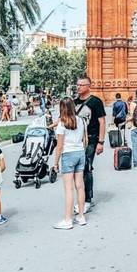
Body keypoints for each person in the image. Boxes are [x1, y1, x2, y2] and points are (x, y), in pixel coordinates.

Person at [53, 97, 87, 229]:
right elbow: (85, 140)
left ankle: (67, 220)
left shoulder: (62, 123)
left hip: (68, 154)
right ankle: (81, 216)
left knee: (68, 189)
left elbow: (59, 146)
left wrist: (55, 163)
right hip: (80, 153)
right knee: (80, 186)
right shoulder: (81, 120)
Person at [74, 76, 106, 213]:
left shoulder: (96, 102)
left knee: (86, 167)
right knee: (78, 170)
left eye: (81, 85)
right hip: (76, 141)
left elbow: (102, 122)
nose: (78, 87)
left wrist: (101, 142)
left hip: (91, 139)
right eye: (77, 85)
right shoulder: (73, 102)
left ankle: (87, 200)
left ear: (88, 86)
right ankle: (82, 197)